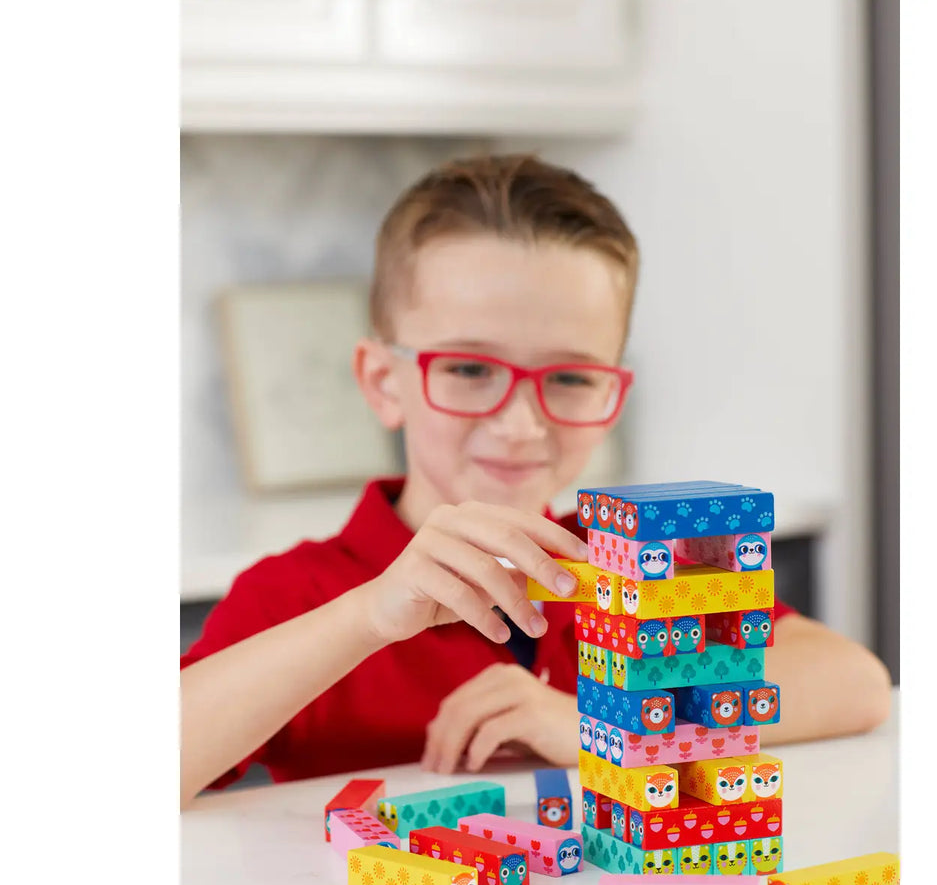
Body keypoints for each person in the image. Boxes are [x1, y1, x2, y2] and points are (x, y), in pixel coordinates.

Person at [180, 153, 892, 810]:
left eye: (573, 377)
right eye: (467, 369)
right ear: (381, 380)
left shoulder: (639, 568)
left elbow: (854, 684)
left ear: (613, 392)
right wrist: (366, 618)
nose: (520, 424)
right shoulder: (302, 595)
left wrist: (602, 725)